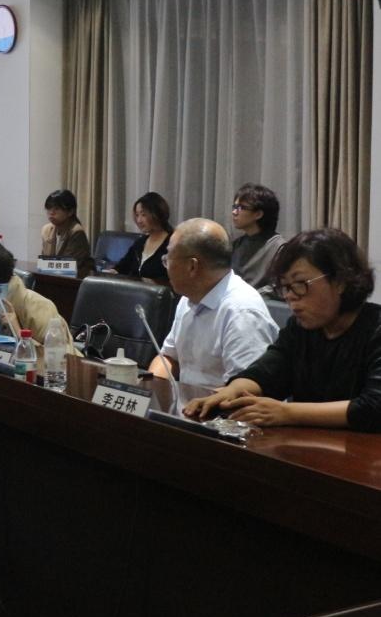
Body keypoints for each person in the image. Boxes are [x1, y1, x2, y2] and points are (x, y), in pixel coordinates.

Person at [185, 229, 381, 431]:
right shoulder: (301, 328)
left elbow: (374, 407)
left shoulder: (375, 328)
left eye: (300, 284)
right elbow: (268, 371)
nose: (290, 296)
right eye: (285, 286)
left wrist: (288, 412)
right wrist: (231, 392)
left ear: (340, 281)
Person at [151, 218, 278, 388]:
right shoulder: (189, 297)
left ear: (192, 266)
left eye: (168, 258)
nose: (165, 266)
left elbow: (243, 391)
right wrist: (151, 388)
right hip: (188, 401)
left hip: (220, 404)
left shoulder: (242, 312)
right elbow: (168, 357)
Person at [230, 183, 286, 290]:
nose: (234, 212)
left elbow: (276, 288)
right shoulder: (237, 244)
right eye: (234, 207)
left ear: (258, 214)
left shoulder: (279, 247)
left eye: (241, 207)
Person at [113, 192, 172, 280]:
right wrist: (112, 272)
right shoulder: (140, 243)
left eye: (143, 215)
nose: (139, 220)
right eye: (137, 215)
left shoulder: (172, 244)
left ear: (157, 214)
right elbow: (121, 267)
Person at [40, 189, 93, 274]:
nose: (51, 212)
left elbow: (68, 267)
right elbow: (43, 262)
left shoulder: (76, 232)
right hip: (52, 276)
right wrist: (44, 265)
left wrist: (44, 265)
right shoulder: (46, 230)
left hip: (75, 279)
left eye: (57, 208)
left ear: (70, 212)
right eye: (49, 208)